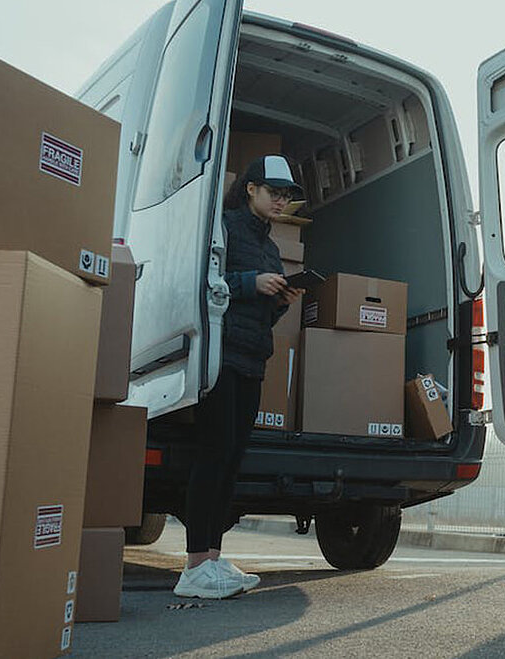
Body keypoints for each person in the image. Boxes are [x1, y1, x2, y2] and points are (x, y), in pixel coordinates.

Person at [173, 154, 306, 599]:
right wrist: (252, 283)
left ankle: (212, 559)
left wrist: (280, 299)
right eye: (274, 192)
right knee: (212, 455)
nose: (281, 201)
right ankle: (193, 567)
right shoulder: (224, 226)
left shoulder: (270, 246)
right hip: (220, 355)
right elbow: (201, 281)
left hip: (253, 358)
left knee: (232, 459)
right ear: (251, 188)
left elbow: (260, 316)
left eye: (286, 195)